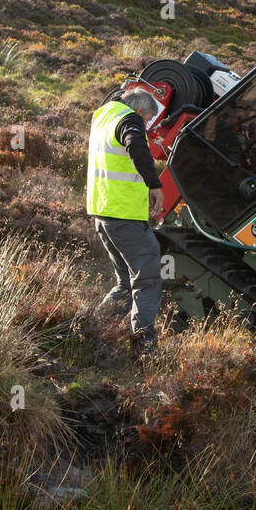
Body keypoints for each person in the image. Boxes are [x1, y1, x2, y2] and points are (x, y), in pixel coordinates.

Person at [87, 89, 165, 356]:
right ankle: (144, 349)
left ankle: (91, 332)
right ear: (141, 112)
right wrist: (154, 185)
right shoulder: (130, 120)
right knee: (147, 279)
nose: (146, 127)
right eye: (147, 121)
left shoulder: (103, 115)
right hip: (123, 216)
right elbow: (135, 143)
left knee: (125, 283)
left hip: (102, 212)